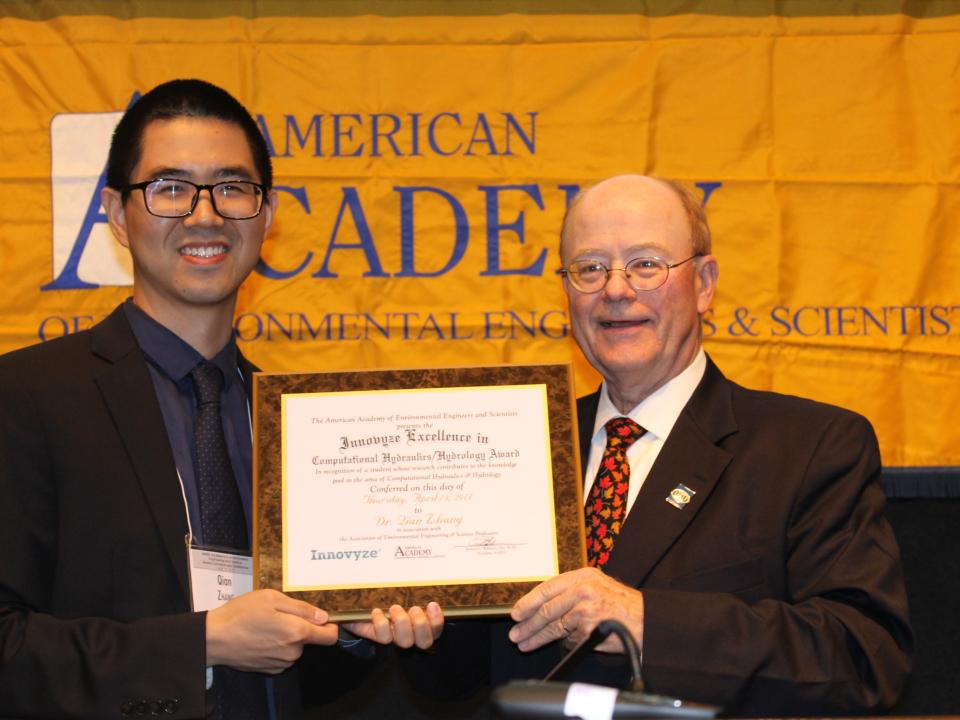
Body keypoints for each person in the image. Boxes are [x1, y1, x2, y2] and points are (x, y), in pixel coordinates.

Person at [0, 79, 440, 720]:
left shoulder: (297, 427)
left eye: (233, 189)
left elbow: (283, 679)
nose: (205, 216)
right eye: (170, 188)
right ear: (117, 216)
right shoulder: (25, 399)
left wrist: (347, 630)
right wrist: (201, 645)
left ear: (265, 217)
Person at [501, 174, 913, 715]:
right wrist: (393, 621)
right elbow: (477, 666)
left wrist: (649, 623)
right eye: (590, 268)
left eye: (646, 264)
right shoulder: (522, 449)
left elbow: (861, 657)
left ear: (704, 283)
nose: (616, 290)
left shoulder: (810, 448)